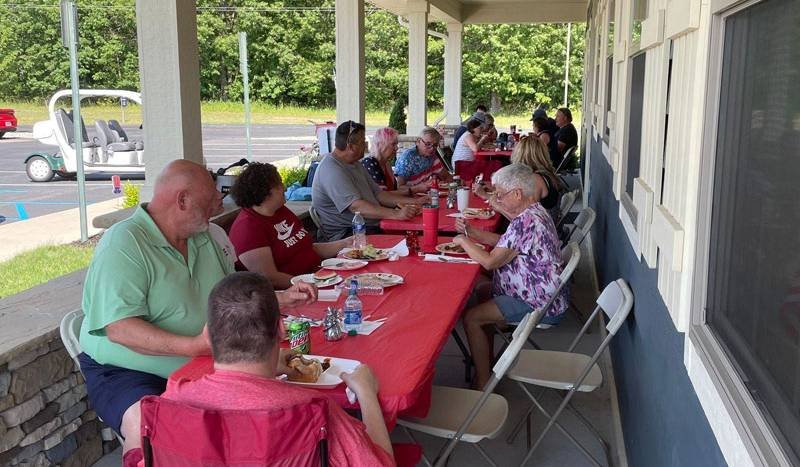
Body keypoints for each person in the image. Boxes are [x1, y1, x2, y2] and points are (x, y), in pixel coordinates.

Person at [78, 160, 317, 458]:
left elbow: (230, 296)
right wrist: (195, 346)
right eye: (208, 202)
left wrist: (280, 298)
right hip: (129, 370)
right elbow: (119, 328)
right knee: (147, 424)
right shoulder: (125, 242)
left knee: (272, 402)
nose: (217, 206)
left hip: (205, 358)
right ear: (182, 200)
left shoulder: (203, 236)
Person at [162, 272, 395, 466]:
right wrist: (366, 394)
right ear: (282, 330)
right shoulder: (313, 410)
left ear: (207, 335)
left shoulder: (171, 401)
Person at [452, 164, 566, 389]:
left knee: (472, 317)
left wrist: (462, 241)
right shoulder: (532, 212)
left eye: (500, 194)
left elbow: (490, 261)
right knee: (483, 291)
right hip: (539, 292)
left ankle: (484, 382)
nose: (497, 199)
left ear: (517, 193)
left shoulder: (526, 221)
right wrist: (473, 233)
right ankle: (487, 362)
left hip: (539, 301)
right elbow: (507, 245)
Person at [228, 162, 352, 289]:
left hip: (320, 277)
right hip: (296, 292)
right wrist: (313, 285)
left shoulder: (280, 210)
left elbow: (308, 248)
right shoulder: (247, 228)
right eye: (279, 184)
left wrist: (346, 243)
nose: (285, 188)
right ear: (266, 192)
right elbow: (270, 278)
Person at [311, 121, 425, 241]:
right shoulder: (331, 168)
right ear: (350, 146)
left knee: (418, 237)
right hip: (350, 233)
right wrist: (396, 214)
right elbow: (356, 207)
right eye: (362, 142)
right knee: (411, 241)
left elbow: (380, 195)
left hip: (371, 226)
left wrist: (415, 202)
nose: (366, 145)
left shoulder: (355, 163)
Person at [510, 136, 561, 220]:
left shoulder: (536, 179)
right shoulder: (545, 174)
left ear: (520, 155)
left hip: (542, 229)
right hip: (546, 224)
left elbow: (524, 219)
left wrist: (494, 202)